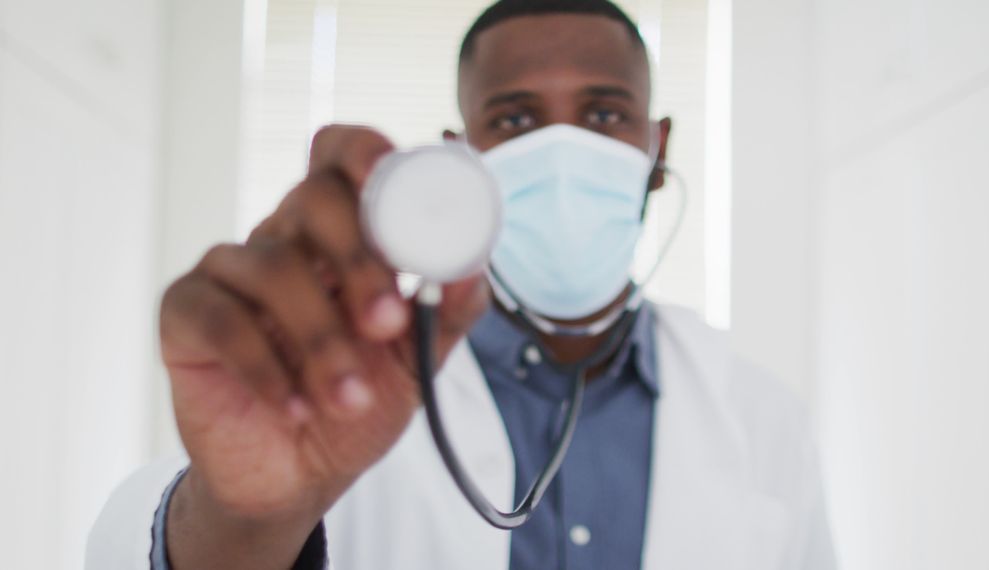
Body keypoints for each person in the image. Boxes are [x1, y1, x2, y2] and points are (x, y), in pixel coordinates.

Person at [87, 1, 836, 568]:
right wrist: (241, 517)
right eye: (515, 120)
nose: (564, 151)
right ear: (463, 154)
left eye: (605, 114)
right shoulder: (342, 379)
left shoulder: (765, 420)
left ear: (656, 143)